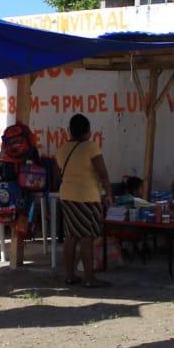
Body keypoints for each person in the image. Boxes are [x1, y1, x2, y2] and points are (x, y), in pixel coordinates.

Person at [58, 114, 113, 287]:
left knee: (70, 236)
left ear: (70, 131)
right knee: (86, 237)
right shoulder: (91, 147)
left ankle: (69, 275)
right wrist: (109, 193)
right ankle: (90, 278)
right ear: (88, 131)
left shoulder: (62, 149)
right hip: (87, 197)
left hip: (67, 196)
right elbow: (102, 173)